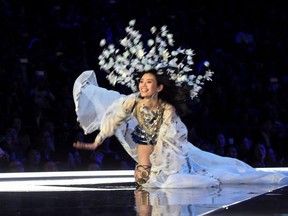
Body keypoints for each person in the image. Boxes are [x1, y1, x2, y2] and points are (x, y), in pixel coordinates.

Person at [73, 20, 288, 188]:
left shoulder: (162, 108)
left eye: (148, 83)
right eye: (141, 82)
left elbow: (171, 132)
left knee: (198, 169)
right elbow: (113, 121)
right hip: (148, 145)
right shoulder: (127, 103)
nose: (143, 85)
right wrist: (96, 142)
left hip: (168, 147)